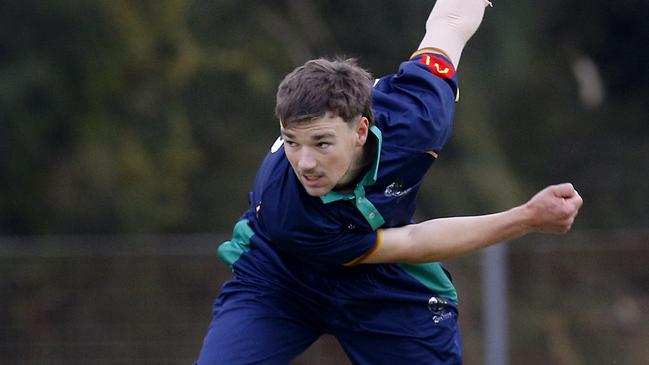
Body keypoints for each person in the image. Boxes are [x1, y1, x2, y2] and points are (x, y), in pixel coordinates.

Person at [194, 0, 582, 364]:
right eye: (292, 142)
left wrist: (529, 216)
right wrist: (527, 218)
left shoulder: (417, 116)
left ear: (361, 130)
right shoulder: (286, 206)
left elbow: (448, 23)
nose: (304, 162)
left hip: (382, 282)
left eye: (322, 143)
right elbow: (410, 241)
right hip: (280, 276)